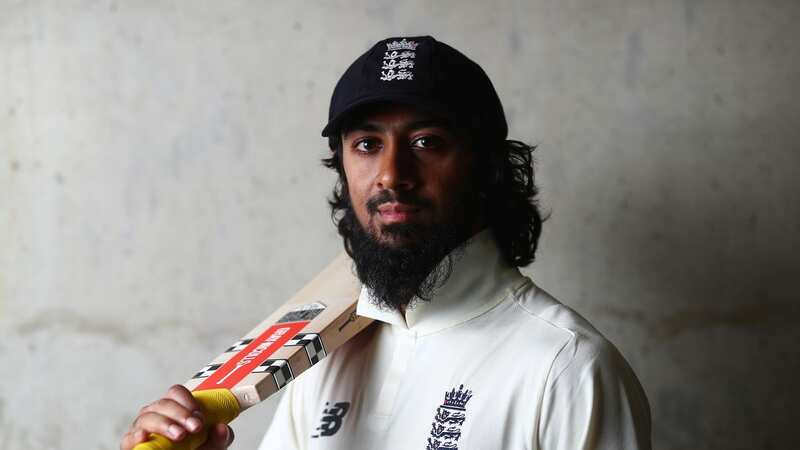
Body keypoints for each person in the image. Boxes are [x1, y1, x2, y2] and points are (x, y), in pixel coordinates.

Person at [121, 35, 651, 450]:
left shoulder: (567, 368)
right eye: (368, 144)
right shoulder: (323, 353)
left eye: (427, 142)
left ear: (486, 167)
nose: (392, 174)